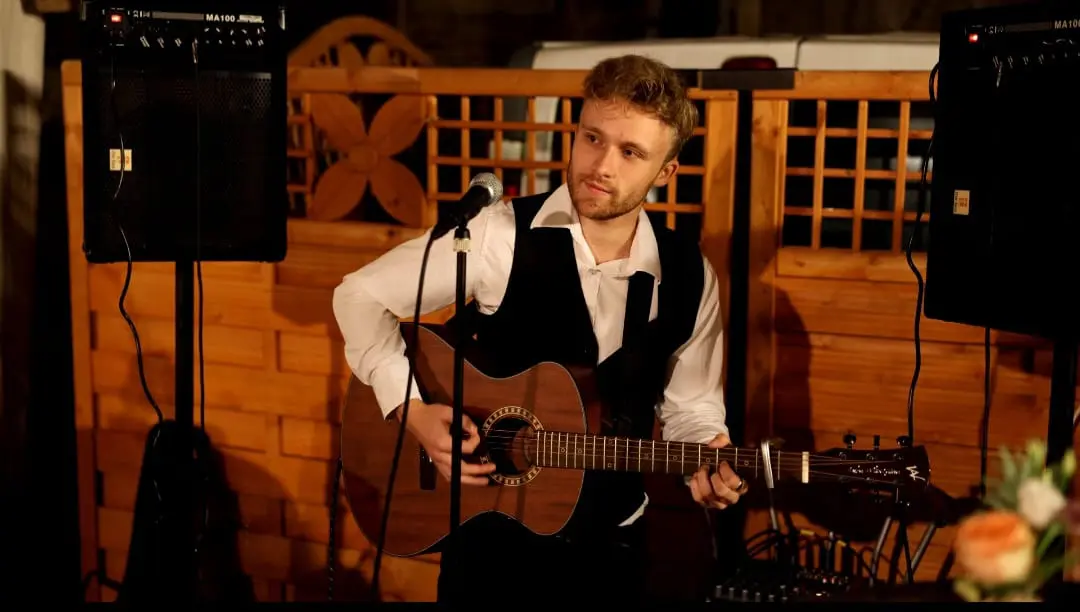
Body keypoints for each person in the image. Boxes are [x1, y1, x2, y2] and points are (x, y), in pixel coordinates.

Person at [332, 54, 747, 604]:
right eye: (592, 138)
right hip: (490, 547)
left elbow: (692, 408)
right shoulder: (498, 235)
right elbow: (359, 295)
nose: (602, 166)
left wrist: (704, 462)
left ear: (665, 172)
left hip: (614, 549)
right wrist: (412, 411)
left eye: (631, 152)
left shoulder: (690, 273)